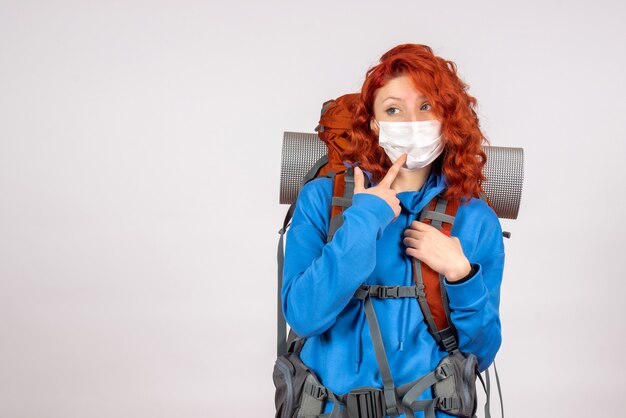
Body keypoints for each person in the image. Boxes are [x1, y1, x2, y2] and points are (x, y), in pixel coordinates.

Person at [281, 44, 505, 417]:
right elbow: (304, 317)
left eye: (426, 106)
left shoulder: (476, 218)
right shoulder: (323, 199)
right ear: (373, 122)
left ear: (448, 119)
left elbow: (480, 353)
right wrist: (365, 219)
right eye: (393, 110)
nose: (412, 122)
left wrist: (460, 274)